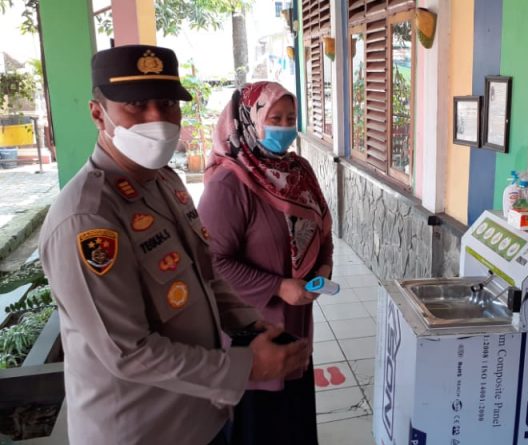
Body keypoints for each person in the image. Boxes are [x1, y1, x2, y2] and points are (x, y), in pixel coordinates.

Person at [38, 45, 310, 445]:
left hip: (199, 414)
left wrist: (249, 322)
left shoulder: (164, 181)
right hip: (141, 429)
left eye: (167, 104)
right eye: (136, 105)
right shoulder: (88, 218)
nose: (157, 119)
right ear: (98, 114)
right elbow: (127, 351)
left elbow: (206, 272)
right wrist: (246, 368)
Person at [198, 81, 333, 445]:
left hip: (297, 320)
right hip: (253, 329)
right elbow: (211, 261)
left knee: (294, 417)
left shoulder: (299, 170)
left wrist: (323, 266)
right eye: (275, 118)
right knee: (261, 425)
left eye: (291, 118)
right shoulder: (229, 184)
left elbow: (321, 225)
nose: (285, 127)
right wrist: (278, 286)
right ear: (248, 120)